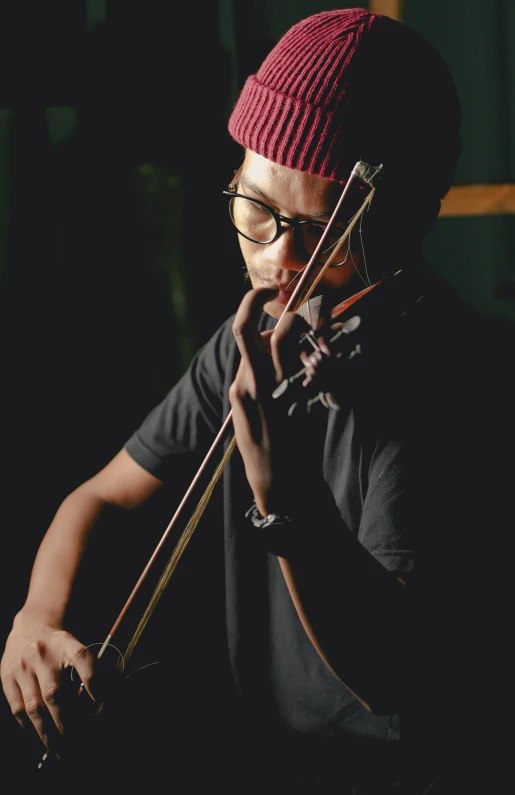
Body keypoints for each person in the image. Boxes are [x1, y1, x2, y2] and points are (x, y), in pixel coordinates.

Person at [1, 7, 513, 793]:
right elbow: (105, 492)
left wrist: (284, 490)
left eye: (322, 235)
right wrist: (37, 616)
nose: (278, 262)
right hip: (259, 756)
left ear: (400, 224)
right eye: (253, 212)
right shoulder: (255, 339)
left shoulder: (444, 380)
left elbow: (395, 674)